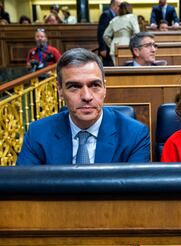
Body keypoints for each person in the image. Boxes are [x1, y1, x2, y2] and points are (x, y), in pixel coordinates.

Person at [17, 48, 150, 165]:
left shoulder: (134, 134)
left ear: (104, 88)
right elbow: (24, 188)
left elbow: (134, 192)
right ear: (60, 91)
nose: (87, 96)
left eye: (95, 85)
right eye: (74, 86)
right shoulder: (38, 133)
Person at [98, 0, 121, 66]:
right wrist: (103, 48)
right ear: (113, 5)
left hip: (112, 46)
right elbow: (101, 32)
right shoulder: (106, 14)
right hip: (106, 49)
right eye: (119, 6)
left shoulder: (116, 15)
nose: (120, 8)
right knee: (108, 65)